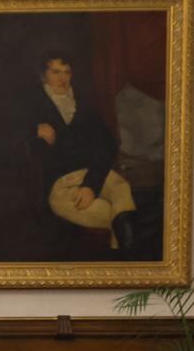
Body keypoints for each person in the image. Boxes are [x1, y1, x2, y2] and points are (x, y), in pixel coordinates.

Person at [30, 52, 138, 249]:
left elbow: (107, 146)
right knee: (111, 213)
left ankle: (129, 259)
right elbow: (1, 135)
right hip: (60, 185)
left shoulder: (85, 105)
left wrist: (90, 185)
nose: (63, 78)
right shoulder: (31, 106)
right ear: (42, 76)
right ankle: (128, 259)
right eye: (55, 72)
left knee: (121, 189)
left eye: (67, 72)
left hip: (92, 174)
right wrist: (31, 130)